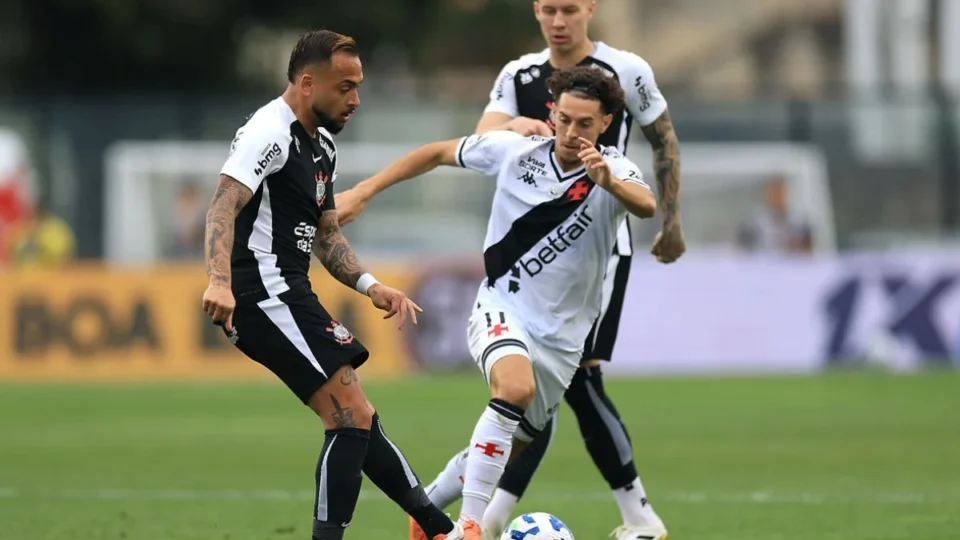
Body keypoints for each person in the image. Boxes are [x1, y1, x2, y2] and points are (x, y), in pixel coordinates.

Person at [341, 1, 681, 537]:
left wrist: (609, 181)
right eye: (563, 119)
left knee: (514, 439)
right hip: (503, 306)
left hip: (563, 336)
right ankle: (470, 527)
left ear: (607, 124)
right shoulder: (515, 151)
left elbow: (644, 203)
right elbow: (434, 153)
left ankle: (427, 507)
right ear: (551, 114)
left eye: (584, 124)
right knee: (513, 389)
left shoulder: (615, 168)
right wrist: (361, 192)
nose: (571, 132)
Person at [201, 30, 479, 540]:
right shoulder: (269, 132)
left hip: (288, 289)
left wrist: (371, 285)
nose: (355, 99)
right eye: (344, 87)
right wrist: (219, 281)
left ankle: (440, 531)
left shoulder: (322, 145)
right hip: (260, 294)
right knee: (349, 417)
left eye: (358, 86)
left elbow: (325, 235)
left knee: (359, 416)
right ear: (307, 83)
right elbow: (222, 203)